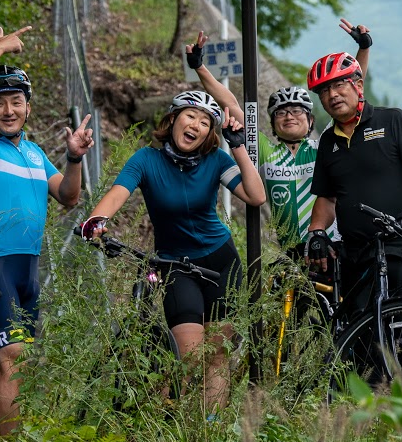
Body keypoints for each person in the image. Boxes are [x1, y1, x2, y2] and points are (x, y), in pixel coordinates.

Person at [77, 87, 265, 410]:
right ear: (174, 118)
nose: (195, 125)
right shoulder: (146, 160)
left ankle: (207, 435)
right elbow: (117, 193)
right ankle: (170, 430)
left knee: (217, 355)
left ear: (209, 133)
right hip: (175, 266)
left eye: (205, 122)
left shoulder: (216, 160)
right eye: (190, 116)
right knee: (189, 360)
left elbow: (256, 195)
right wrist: (95, 220)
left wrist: (238, 149)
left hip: (221, 261)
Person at [0, 26, 94, 434]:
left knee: (17, 366)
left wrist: (73, 159)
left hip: (27, 270)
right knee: (12, 357)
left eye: (16, 101)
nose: (8, 110)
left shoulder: (33, 152)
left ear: (28, 108)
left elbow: (68, 198)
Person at [304, 49, 402, 366]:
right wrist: (316, 232)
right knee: (364, 343)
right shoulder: (327, 141)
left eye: (339, 86)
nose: (332, 95)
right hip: (355, 254)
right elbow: (327, 197)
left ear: (358, 85)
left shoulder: (393, 120)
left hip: (399, 246)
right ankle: (373, 407)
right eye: (324, 91)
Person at [255, 21, 372, 251]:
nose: (289, 116)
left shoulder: (324, 145)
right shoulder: (266, 150)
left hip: (328, 245)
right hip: (289, 251)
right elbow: (235, 111)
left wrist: (364, 48)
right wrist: (200, 67)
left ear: (310, 121)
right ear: (272, 123)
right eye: (281, 113)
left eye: (297, 111)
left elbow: (353, 92)